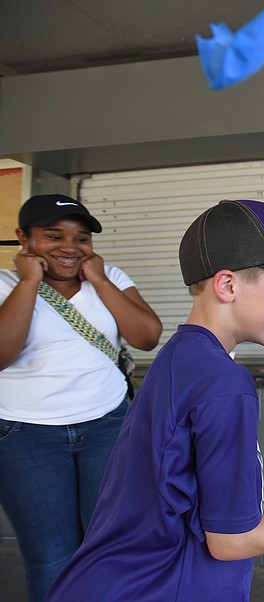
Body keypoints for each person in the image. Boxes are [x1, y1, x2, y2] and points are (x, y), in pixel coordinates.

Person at [47, 199, 264, 601]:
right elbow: (231, 539)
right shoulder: (224, 384)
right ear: (227, 285)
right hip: (164, 586)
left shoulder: (180, 356)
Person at [0, 194, 163, 602]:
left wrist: (102, 281)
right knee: (51, 557)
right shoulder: (6, 285)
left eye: (81, 238)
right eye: (53, 235)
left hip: (105, 427)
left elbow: (146, 337)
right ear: (24, 238)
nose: (69, 247)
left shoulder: (111, 278)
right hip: (24, 436)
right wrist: (28, 282)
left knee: (107, 546)